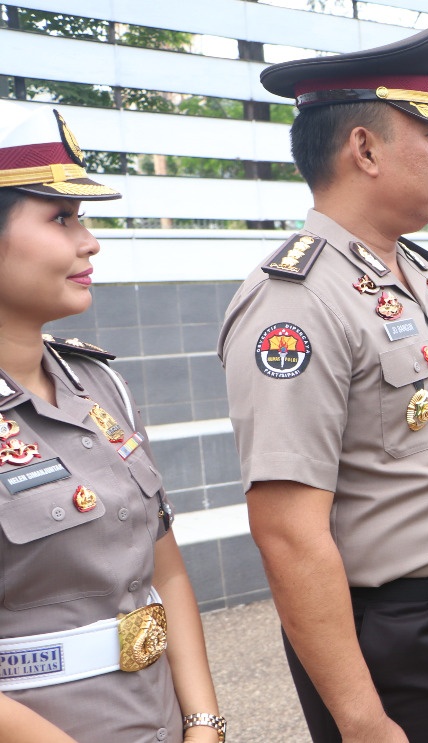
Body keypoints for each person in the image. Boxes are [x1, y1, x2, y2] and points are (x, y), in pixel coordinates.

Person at [217, 24, 428, 743]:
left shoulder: (417, 274)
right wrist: (361, 720)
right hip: (397, 644)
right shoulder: (294, 301)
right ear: (364, 149)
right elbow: (289, 531)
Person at [0, 104, 223, 742]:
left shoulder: (99, 385)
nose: (89, 240)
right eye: (61, 218)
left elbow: (166, 569)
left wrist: (204, 722)